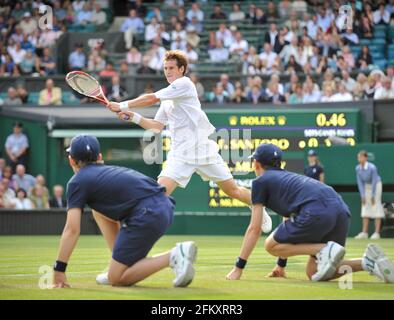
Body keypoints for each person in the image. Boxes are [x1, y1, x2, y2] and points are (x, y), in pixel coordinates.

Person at [106, 50, 272, 235]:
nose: (167, 72)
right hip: (180, 155)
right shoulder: (167, 100)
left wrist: (122, 105)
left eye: (171, 68)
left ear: (182, 69)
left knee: (232, 190)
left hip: (203, 150)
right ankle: (137, 235)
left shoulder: (184, 84)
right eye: (165, 68)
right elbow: (156, 126)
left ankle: (258, 205)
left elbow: (151, 98)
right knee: (158, 193)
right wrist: (134, 117)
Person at [226, 144, 394, 283]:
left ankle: (324, 249)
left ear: (256, 164)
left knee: (270, 245)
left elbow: (254, 229)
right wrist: (281, 265)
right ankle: (368, 263)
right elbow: (287, 225)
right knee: (313, 272)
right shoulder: (288, 179)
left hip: (316, 212)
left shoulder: (260, 182)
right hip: (341, 210)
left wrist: (238, 268)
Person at [52, 134, 197, 288]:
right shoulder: (108, 172)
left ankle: (174, 256)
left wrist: (59, 269)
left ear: (71, 160)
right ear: (100, 157)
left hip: (147, 213)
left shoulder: (77, 182)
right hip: (163, 207)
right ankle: (118, 263)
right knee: (98, 212)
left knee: (117, 278)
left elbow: (72, 229)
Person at [355, 150, 385, 240]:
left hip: (376, 185)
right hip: (366, 186)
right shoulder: (357, 168)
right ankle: (364, 232)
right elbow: (360, 183)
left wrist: (372, 195)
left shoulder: (372, 167)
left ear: (365, 157)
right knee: (365, 207)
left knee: (376, 205)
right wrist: (362, 195)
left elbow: (374, 180)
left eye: (361, 157)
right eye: (358, 157)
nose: (359, 159)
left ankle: (376, 233)